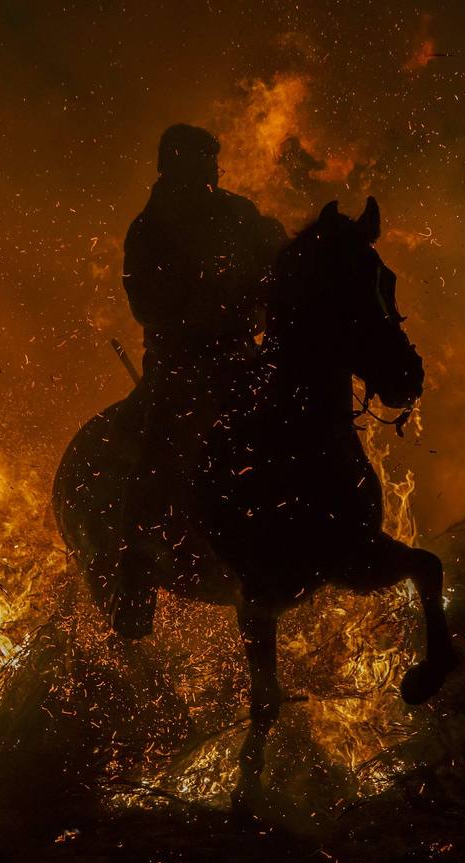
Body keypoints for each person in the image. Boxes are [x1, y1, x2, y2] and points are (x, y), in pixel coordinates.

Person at [110, 124, 287, 636]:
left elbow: (272, 268)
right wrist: (202, 312)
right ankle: (135, 580)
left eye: (214, 162)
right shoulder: (149, 230)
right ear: (174, 166)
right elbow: (147, 306)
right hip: (180, 364)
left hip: (240, 355)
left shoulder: (238, 214)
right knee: (156, 453)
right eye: (202, 162)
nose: (212, 171)